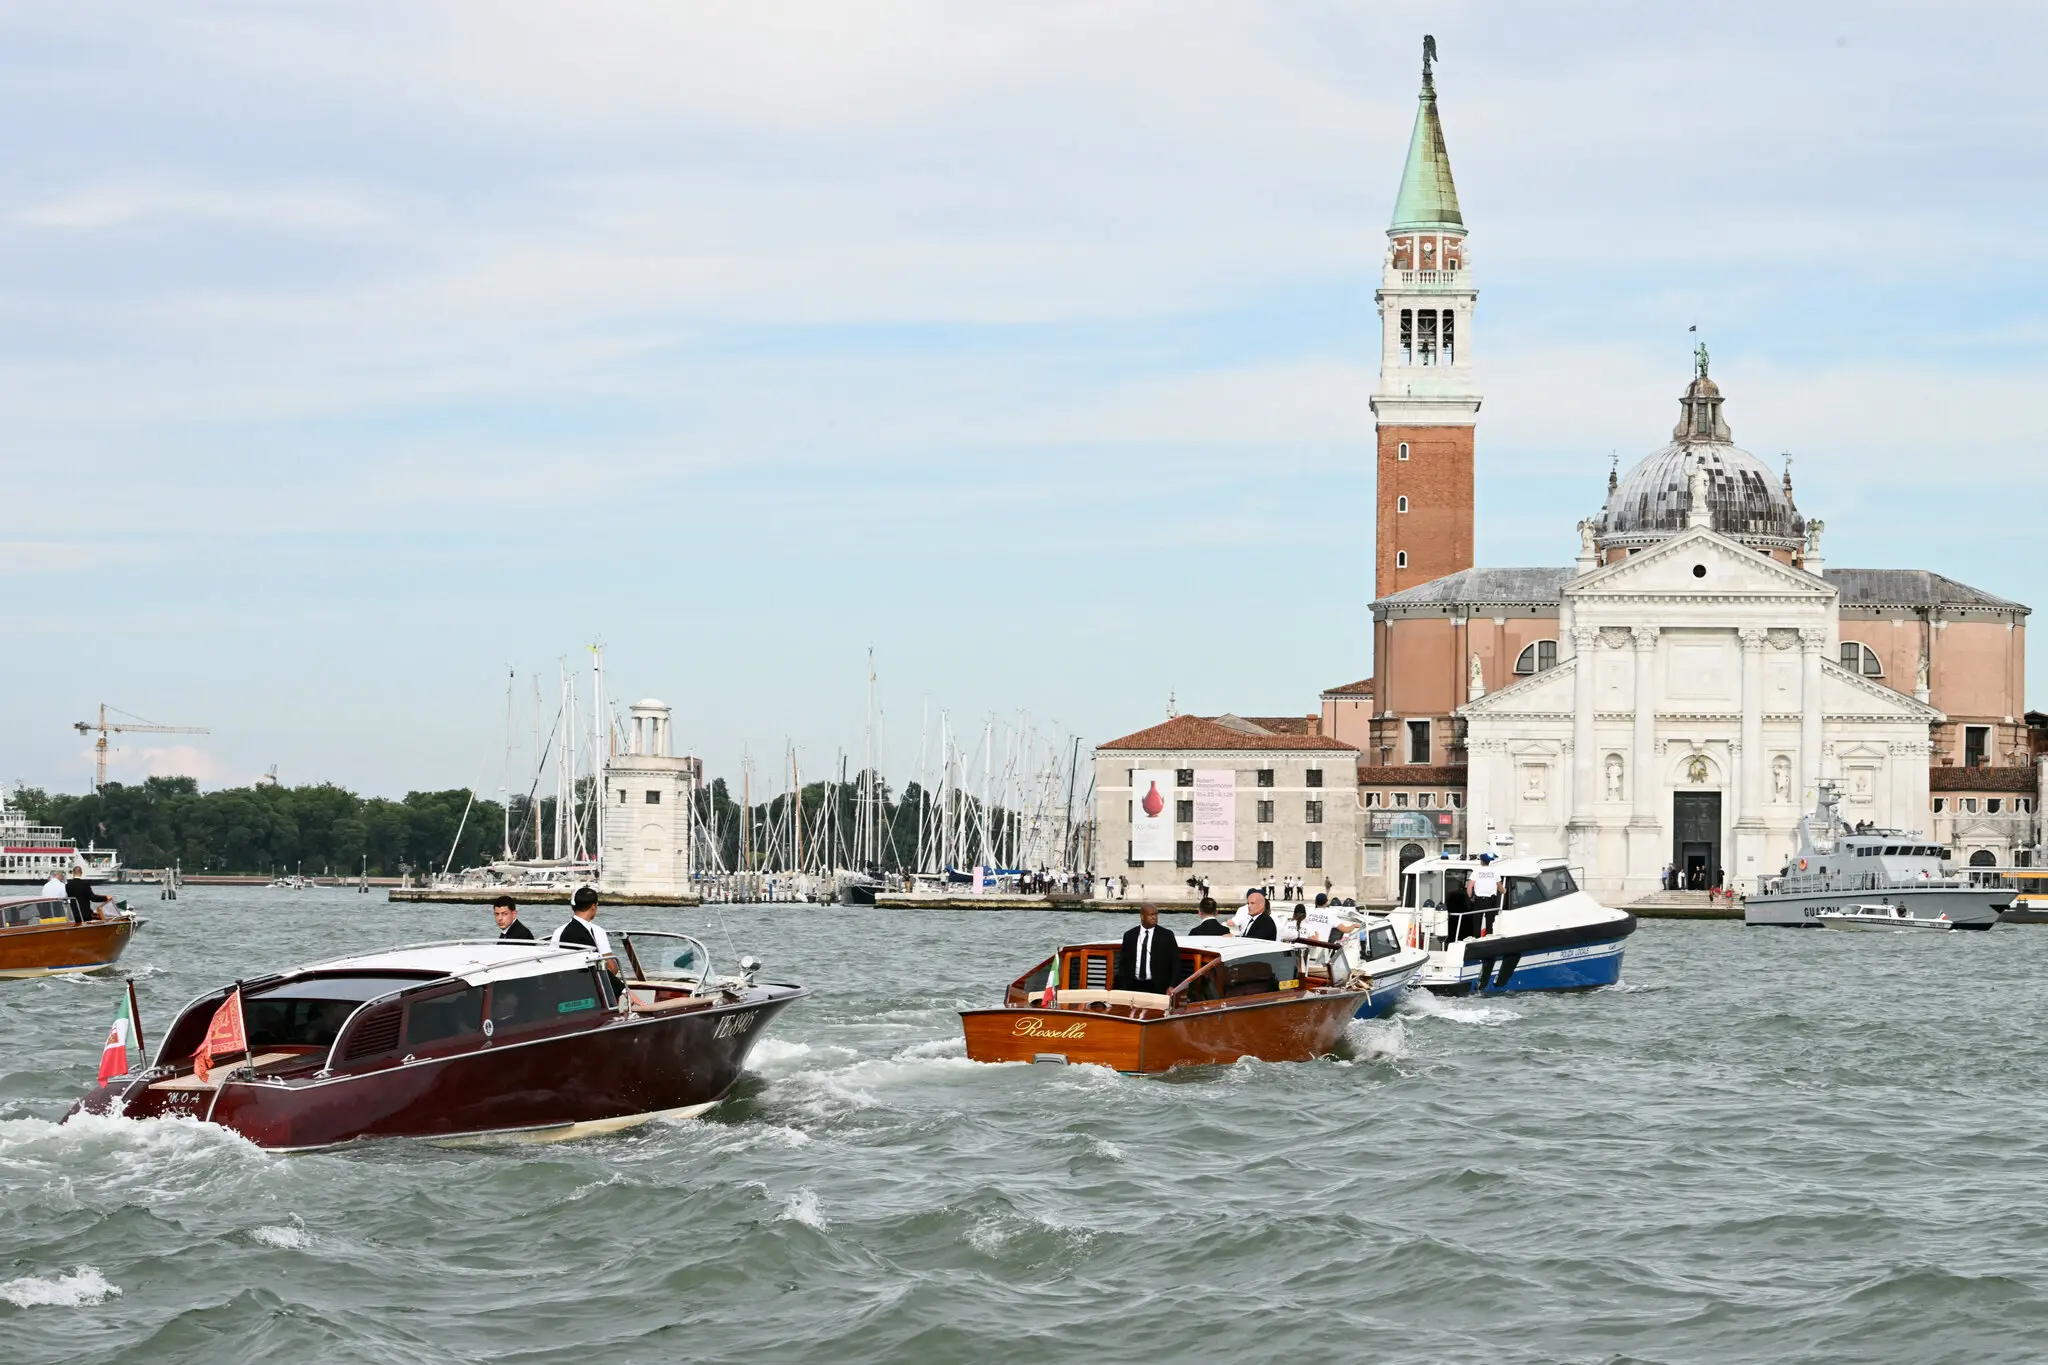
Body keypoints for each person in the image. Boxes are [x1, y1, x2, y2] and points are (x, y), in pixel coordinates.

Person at [1113, 904, 1180, 993]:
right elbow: (1123, 963)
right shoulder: (1129, 935)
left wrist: (1172, 985)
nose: (1155, 917)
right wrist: (1122, 986)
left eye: (1156, 914)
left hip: (1157, 986)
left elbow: (1175, 962)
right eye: (1151, 915)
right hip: (1133, 985)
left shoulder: (1167, 935)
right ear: (1142, 916)